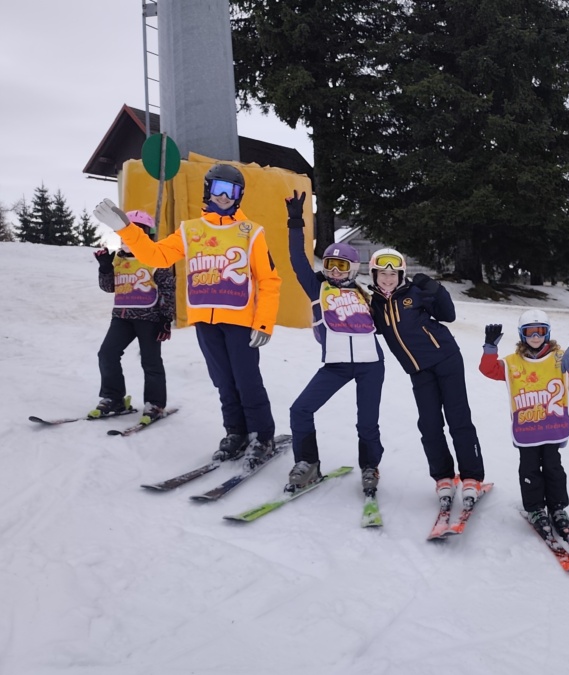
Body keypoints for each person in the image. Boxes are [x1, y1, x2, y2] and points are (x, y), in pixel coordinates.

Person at [93, 164, 282, 469]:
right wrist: (125, 228)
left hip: (239, 321)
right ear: (208, 190)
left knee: (247, 381)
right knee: (223, 381)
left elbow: (269, 280)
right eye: (218, 188)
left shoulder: (251, 232)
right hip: (205, 322)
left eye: (231, 191)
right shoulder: (190, 230)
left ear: (239, 196)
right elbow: (156, 256)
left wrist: (263, 322)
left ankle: (262, 436)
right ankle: (235, 432)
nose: (223, 196)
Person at [284, 191, 384, 496]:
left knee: (367, 424)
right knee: (300, 410)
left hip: (371, 366)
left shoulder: (366, 294)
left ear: (353, 269)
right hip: (336, 365)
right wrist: (295, 222)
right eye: (330, 265)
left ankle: (370, 466)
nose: (334, 272)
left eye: (341, 267)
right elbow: (297, 259)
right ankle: (308, 463)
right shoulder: (317, 288)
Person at [367, 248, 484, 507]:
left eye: (393, 274)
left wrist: (437, 289)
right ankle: (443, 476)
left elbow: (448, 315)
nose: (388, 279)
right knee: (429, 425)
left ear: (401, 275)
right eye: (382, 274)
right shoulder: (373, 304)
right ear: (374, 275)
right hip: (418, 371)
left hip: (446, 360)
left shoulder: (414, 293)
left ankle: (472, 477)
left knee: (458, 419)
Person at [479, 310, 569, 538]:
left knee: (554, 468)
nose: (536, 337)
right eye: (530, 332)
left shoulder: (559, 358)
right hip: (527, 429)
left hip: (552, 428)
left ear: (548, 333)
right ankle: (535, 508)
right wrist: (490, 348)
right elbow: (488, 369)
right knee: (529, 469)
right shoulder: (513, 362)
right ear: (522, 335)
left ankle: (557, 507)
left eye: (541, 331)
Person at [91, 210, 176, 424]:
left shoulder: (157, 256)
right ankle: (114, 398)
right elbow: (109, 287)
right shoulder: (118, 257)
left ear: (148, 234)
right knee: (106, 355)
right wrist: (105, 269)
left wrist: (166, 319)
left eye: (140, 230)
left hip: (149, 317)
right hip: (122, 316)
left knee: (150, 361)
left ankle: (155, 404)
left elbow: (167, 289)